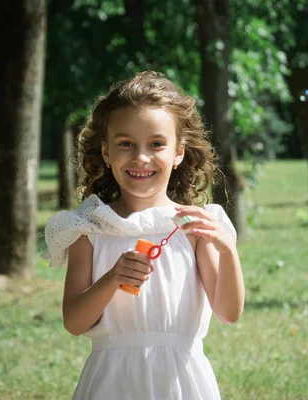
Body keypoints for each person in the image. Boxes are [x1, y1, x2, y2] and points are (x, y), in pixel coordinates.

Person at [43, 70, 245, 400]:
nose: (141, 158)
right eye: (126, 144)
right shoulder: (90, 228)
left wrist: (228, 252)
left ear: (178, 152)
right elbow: (74, 322)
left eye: (156, 144)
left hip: (181, 383)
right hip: (112, 382)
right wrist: (110, 279)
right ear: (106, 152)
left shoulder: (193, 227)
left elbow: (228, 313)